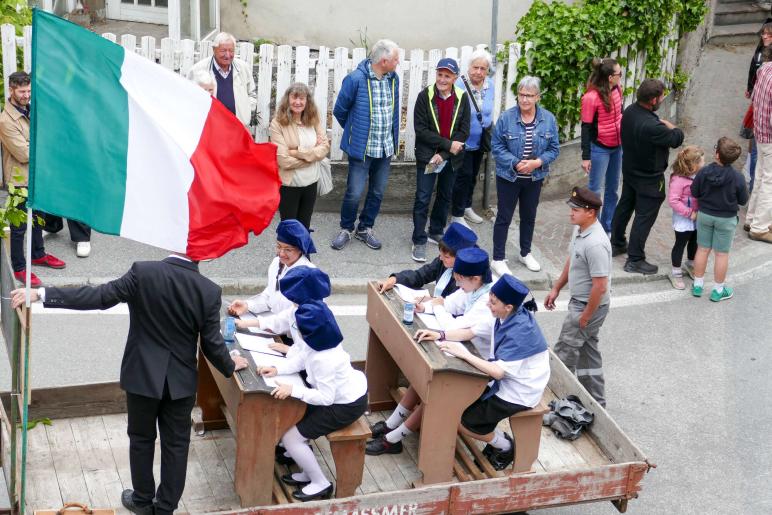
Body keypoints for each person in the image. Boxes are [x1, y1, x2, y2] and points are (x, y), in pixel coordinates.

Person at [10, 255, 249, 515]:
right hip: (180, 383)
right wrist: (230, 364)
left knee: (141, 439)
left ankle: (143, 501)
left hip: (142, 377)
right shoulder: (209, 290)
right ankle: (166, 508)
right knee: (177, 446)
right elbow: (213, 345)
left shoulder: (142, 273)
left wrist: (41, 294)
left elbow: (98, 297)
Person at [412, 274, 550, 471]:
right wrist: (440, 335)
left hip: (519, 392)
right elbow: (470, 332)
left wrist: (464, 354)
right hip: (503, 380)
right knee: (455, 403)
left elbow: (498, 372)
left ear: (508, 307)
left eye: (493, 302)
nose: (488, 305)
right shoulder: (502, 315)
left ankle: (505, 446)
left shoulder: (521, 332)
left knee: (463, 421)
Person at [366, 247, 494, 456]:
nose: (458, 284)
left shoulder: (486, 299)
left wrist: (438, 313)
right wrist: (424, 308)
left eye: (460, 280)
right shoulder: (473, 289)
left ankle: (394, 439)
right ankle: (392, 423)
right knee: (423, 377)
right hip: (461, 351)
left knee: (436, 387)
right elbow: (448, 302)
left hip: (478, 365)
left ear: (476, 278)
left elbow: (459, 328)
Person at [260, 298, 368, 502]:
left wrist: (293, 390)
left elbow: (326, 399)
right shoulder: (322, 342)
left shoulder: (323, 359)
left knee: (292, 438)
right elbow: (301, 359)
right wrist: (277, 369)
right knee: (293, 421)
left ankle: (320, 482)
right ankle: (308, 471)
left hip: (346, 405)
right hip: (344, 395)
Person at [331, 39, 400, 251]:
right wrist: (355, 132)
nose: (398, 62)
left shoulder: (393, 79)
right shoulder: (355, 79)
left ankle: (365, 228)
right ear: (384, 60)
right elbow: (340, 110)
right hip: (362, 149)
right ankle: (346, 228)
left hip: (385, 147)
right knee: (354, 192)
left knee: (377, 192)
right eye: (396, 59)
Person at [545, 187, 611, 407]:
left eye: (575, 209)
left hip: (587, 307)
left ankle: (552, 398)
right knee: (586, 351)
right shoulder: (580, 230)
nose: (570, 213)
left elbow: (600, 287)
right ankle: (596, 402)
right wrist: (557, 288)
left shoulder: (596, 244)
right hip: (582, 304)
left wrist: (585, 316)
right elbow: (572, 260)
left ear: (590, 212)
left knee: (564, 353)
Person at [610, 79, 685, 275]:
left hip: (630, 170)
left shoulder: (629, 112)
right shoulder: (654, 127)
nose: (662, 99)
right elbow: (677, 139)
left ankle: (616, 243)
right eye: (661, 97)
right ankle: (635, 259)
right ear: (652, 100)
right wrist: (672, 126)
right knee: (644, 217)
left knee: (625, 206)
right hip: (650, 178)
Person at [0, 70, 66, 287]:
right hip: (19, 179)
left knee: (38, 218)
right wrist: (47, 145)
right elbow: (24, 154)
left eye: (29, 90)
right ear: (11, 90)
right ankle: (19, 267)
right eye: (22, 91)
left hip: (37, 175)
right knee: (19, 228)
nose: (27, 95)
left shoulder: (31, 108)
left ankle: (38, 254)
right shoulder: (6, 120)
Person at [490, 76, 560, 275]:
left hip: (534, 178)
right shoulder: (506, 118)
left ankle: (525, 252)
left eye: (529, 96)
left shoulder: (548, 119)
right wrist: (515, 162)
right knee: (504, 216)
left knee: (529, 216)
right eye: (521, 95)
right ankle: (497, 258)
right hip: (509, 177)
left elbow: (554, 148)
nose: (524, 100)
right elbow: (496, 146)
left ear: (537, 97)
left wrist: (537, 162)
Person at [411, 57, 471, 262]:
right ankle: (418, 239)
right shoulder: (424, 96)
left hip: (451, 158)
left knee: (445, 196)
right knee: (422, 197)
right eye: (440, 74)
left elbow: (464, 131)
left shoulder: (462, 97)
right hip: (428, 157)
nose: (442, 79)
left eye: (447, 75)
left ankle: (436, 230)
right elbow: (420, 130)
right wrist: (445, 147)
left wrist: (444, 153)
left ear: (454, 77)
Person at [227, 219, 316, 351]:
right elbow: (269, 296)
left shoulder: (307, 276)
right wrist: (247, 305)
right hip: (273, 329)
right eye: (279, 246)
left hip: (298, 342)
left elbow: (292, 318)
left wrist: (251, 323)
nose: (281, 253)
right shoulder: (276, 263)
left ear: (300, 250)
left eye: (288, 249)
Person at [690, 137, 749, 301]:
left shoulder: (703, 172)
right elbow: (743, 200)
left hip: (705, 215)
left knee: (702, 249)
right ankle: (717, 290)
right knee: (721, 254)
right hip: (726, 218)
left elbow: (694, 192)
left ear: (717, 154)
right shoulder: (737, 178)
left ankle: (697, 285)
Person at [270, 83, 330, 229]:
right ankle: (285, 252)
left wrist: (296, 152)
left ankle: (302, 252)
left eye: (302, 98)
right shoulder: (277, 124)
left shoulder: (313, 119)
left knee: (305, 225)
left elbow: (325, 147)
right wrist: (313, 157)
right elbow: (283, 160)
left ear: (307, 101)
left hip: (311, 182)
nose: (298, 102)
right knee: (289, 226)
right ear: (288, 99)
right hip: (290, 185)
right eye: (294, 98)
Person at [378, 221, 477, 299]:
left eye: (446, 257)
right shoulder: (442, 261)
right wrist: (395, 279)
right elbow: (420, 275)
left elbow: (455, 306)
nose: (441, 258)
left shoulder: (469, 279)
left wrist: (432, 302)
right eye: (440, 254)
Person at [451, 49, 495, 227]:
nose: (478, 72)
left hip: (480, 140)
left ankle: (467, 206)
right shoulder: (459, 85)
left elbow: (489, 108)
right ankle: (457, 213)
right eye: (475, 67)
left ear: (487, 70)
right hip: (463, 140)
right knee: (463, 176)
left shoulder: (490, 84)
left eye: (483, 68)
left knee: (474, 175)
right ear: (469, 67)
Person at [580, 58, 623, 234]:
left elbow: (620, 114)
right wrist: (586, 156)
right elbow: (586, 127)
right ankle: (592, 228)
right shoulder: (591, 98)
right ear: (610, 77)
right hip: (600, 149)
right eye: (619, 74)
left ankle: (608, 226)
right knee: (595, 190)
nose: (621, 76)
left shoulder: (617, 89)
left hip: (617, 147)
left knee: (612, 190)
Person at [187, 32, 256, 127]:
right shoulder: (198, 70)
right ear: (214, 50)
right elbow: (189, 97)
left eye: (231, 51)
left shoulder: (243, 68)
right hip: (209, 128)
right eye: (223, 51)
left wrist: (246, 109)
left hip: (237, 127)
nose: (227, 55)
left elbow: (252, 94)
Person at [667, 146, 704, 290]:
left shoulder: (697, 174)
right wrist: (689, 213)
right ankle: (676, 272)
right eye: (701, 161)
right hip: (684, 218)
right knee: (680, 243)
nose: (703, 164)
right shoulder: (678, 180)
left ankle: (690, 263)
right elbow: (673, 201)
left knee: (694, 241)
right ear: (693, 165)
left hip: (696, 216)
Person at [743, 22, 772, 194]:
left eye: (769, 34)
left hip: (761, 108)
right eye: (763, 33)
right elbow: (752, 69)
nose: (765, 36)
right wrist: (749, 87)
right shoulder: (761, 50)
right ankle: (751, 179)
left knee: (756, 150)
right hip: (759, 106)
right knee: (755, 147)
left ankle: (751, 181)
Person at [748, 44, 772, 243]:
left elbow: (755, 98)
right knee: (769, 181)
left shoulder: (763, 69)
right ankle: (760, 227)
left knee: (760, 176)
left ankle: (751, 218)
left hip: (759, 132)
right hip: (770, 137)